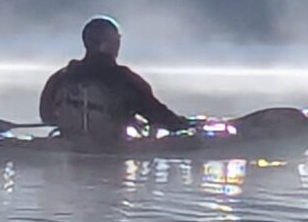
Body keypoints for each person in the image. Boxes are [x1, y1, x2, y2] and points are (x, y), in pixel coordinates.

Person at [39, 15, 195, 145]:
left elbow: (47, 117)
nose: (118, 45)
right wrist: (183, 125)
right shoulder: (124, 80)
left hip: (69, 145)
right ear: (105, 44)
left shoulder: (60, 77)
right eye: (117, 40)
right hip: (111, 148)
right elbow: (158, 115)